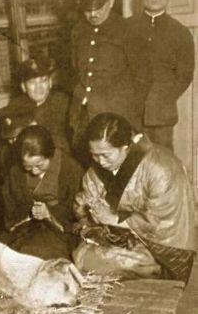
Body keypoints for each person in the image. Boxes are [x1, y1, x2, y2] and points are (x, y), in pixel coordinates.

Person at [74, 112, 195, 284]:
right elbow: (84, 206)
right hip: (122, 239)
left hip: (163, 251)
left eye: (105, 155)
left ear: (126, 147)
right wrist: (89, 211)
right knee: (81, 255)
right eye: (94, 155)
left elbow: (161, 224)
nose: (100, 162)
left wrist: (113, 219)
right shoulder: (98, 170)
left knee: (126, 262)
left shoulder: (161, 167)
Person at [70, 0, 137, 166]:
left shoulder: (127, 30)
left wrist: (129, 113)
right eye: (87, 9)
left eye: (98, 7)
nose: (92, 14)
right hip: (82, 114)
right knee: (86, 163)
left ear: (111, 2)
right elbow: (73, 70)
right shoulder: (78, 31)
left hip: (114, 115)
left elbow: (143, 77)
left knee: (114, 166)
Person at [0, 126, 84, 260]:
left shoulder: (70, 168)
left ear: (50, 155)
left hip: (59, 230)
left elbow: (76, 209)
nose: (33, 171)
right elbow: (10, 206)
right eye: (27, 166)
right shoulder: (15, 171)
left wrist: (49, 213)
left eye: (39, 165)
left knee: (44, 255)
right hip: (25, 228)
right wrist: (29, 213)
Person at [126, 0, 195, 151]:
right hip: (128, 114)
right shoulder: (126, 27)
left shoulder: (180, 32)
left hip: (161, 118)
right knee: (128, 165)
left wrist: (162, 98)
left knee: (163, 164)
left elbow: (184, 75)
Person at [0, 55, 71, 153]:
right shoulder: (15, 105)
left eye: (43, 81)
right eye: (32, 82)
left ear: (50, 83)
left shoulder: (63, 103)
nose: (39, 87)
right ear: (23, 87)